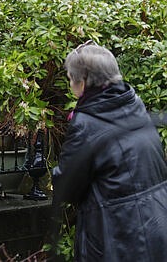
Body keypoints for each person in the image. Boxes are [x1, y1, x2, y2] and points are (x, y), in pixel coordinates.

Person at [52, 41, 167, 261]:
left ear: (83, 82)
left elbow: (67, 188)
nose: (70, 85)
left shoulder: (86, 122)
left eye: (70, 78)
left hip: (115, 234)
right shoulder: (133, 103)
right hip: (156, 222)